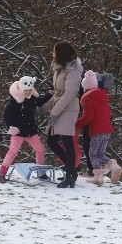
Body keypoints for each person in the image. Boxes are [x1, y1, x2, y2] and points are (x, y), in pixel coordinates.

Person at [0, 76, 52, 183]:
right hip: (18, 132)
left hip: (30, 130)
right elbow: (6, 115)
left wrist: (49, 94)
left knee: (40, 149)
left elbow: (40, 101)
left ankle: (41, 172)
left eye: (30, 90)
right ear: (21, 89)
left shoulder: (32, 99)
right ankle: (2, 173)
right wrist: (10, 126)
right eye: (26, 90)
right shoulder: (14, 102)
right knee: (13, 151)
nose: (28, 92)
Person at [45, 42, 83, 188]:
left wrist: (54, 112)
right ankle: (71, 169)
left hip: (68, 109)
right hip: (59, 107)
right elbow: (57, 92)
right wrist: (44, 106)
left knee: (67, 141)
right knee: (51, 140)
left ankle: (70, 175)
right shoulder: (59, 69)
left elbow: (69, 94)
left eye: (54, 52)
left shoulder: (73, 71)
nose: (52, 55)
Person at [76, 70, 121, 185]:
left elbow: (88, 116)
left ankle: (98, 176)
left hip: (97, 131)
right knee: (100, 153)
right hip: (107, 130)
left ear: (85, 86)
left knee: (92, 153)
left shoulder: (87, 98)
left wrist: (78, 124)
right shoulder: (102, 96)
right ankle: (114, 165)